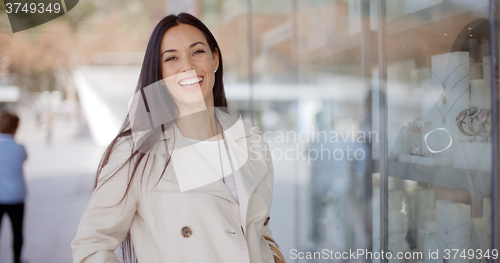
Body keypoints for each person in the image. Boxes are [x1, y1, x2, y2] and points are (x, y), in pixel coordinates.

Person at [71, 13, 284, 263]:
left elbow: (259, 230)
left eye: (197, 52)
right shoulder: (136, 152)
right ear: (160, 73)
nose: (188, 67)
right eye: (172, 58)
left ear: (215, 59)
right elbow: (91, 245)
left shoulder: (251, 140)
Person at [0, 112, 28, 263]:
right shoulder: (19, 148)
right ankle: (17, 260)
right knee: (17, 232)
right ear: (15, 128)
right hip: (16, 196)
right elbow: (24, 159)